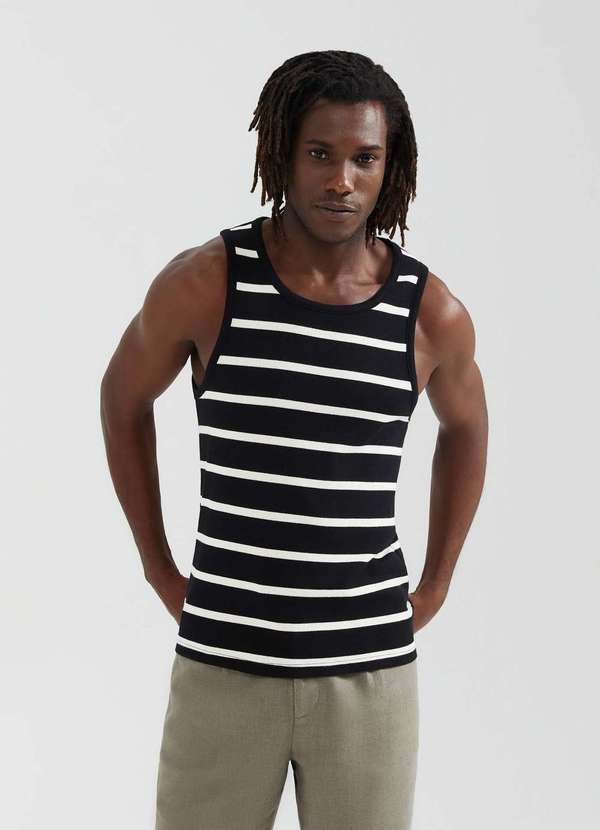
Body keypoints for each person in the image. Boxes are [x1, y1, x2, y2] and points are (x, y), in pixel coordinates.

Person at [100, 50, 488, 830]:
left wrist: (437, 583)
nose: (341, 179)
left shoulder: (427, 313)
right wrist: (158, 567)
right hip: (223, 667)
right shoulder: (209, 284)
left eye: (364, 158)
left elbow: (467, 428)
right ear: (282, 154)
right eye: (320, 153)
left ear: (390, 167)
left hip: (368, 678)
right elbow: (122, 399)